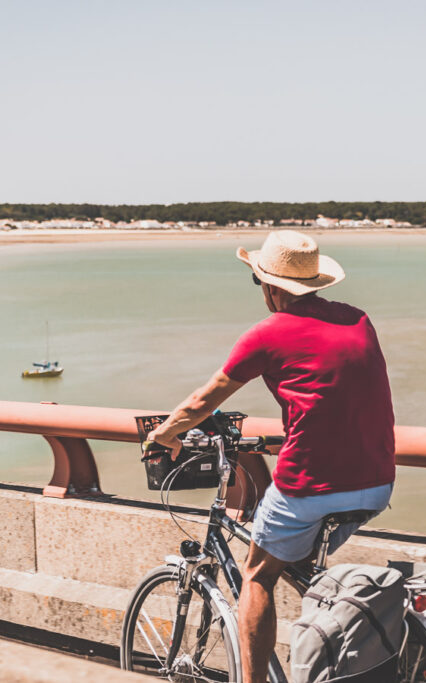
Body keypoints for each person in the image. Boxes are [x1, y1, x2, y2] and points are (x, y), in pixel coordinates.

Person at [146, 230, 396, 682]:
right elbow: (336, 392)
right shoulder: (359, 320)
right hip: (377, 481)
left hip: (311, 484)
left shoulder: (267, 334)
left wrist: (163, 434)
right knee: (301, 567)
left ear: (272, 287)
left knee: (257, 574)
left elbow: (204, 401)